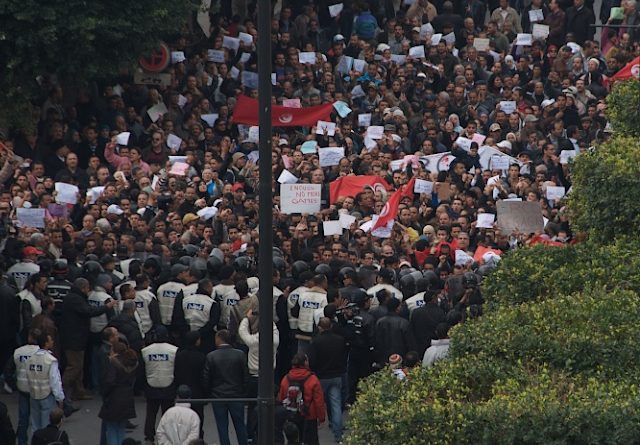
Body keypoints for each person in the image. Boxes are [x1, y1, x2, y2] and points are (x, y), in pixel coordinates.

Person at [59, 278, 115, 402]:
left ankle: (79, 391)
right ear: (83, 287)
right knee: (75, 366)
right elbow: (88, 311)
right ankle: (59, 391)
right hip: (74, 338)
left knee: (79, 365)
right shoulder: (76, 299)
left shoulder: (73, 297)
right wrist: (106, 307)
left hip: (75, 336)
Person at [237, 308, 279, 441]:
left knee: (251, 408)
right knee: (267, 406)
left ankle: (250, 433)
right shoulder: (274, 341)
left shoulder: (253, 341)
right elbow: (274, 329)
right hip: (269, 378)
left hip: (254, 378)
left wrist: (247, 318)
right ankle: (266, 432)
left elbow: (242, 332)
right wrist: (268, 319)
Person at [202, 329, 248, 445]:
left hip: (218, 396)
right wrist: (243, 391)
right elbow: (245, 376)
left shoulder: (211, 356)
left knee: (222, 427)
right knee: (240, 425)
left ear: (218, 339)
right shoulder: (240, 354)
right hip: (236, 395)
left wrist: (209, 393)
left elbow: (206, 378)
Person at [307, 317, 347, 443]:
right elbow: (344, 357)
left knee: (316, 403)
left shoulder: (316, 342)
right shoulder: (340, 340)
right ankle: (338, 434)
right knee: (336, 404)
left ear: (319, 327)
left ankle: (315, 429)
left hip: (321, 377)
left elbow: (312, 361)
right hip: (336, 375)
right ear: (330, 326)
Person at [277, 353, 326, 445]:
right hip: (309, 416)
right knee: (311, 441)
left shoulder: (286, 379)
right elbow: (318, 401)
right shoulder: (312, 379)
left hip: (291, 415)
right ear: (305, 363)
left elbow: (281, 398)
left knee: (293, 440)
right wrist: (321, 417)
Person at [141, 326, 178, 444]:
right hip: (169, 385)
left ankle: (149, 437)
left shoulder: (146, 351)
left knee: (151, 414)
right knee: (168, 414)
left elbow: (142, 371)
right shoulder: (174, 350)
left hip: (151, 385)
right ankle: (167, 436)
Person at [98, 340, 138, 445]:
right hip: (127, 397)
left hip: (114, 398)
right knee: (121, 429)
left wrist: (104, 393)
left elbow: (110, 382)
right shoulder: (131, 363)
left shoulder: (113, 363)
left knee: (111, 429)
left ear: (114, 351)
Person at [25, 331, 65, 432]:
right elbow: (55, 381)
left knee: (35, 426)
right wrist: (60, 398)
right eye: (51, 340)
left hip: (34, 395)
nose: (52, 342)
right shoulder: (50, 360)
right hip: (47, 396)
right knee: (47, 427)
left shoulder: (30, 359)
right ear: (46, 343)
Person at [11, 328, 41, 445]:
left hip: (23, 389)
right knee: (36, 420)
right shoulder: (42, 353)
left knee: (23, 420)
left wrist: (15, 385)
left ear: (29, 337)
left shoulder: (18, 352)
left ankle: (22, 442)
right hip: (37, 390)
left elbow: (8, 371)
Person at [174, 331, 206, 435]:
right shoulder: (201, 357)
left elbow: (176, 373)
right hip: (198, 392)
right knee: (198, 418)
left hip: (182, 391)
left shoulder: (179, 355)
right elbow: (203, 377)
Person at [374, 298, 416, 366]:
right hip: (400, 358)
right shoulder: (404, 323)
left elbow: (376, 341)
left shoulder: (379, 322)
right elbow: (410, 343)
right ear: (398, 308)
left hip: (384, 358)